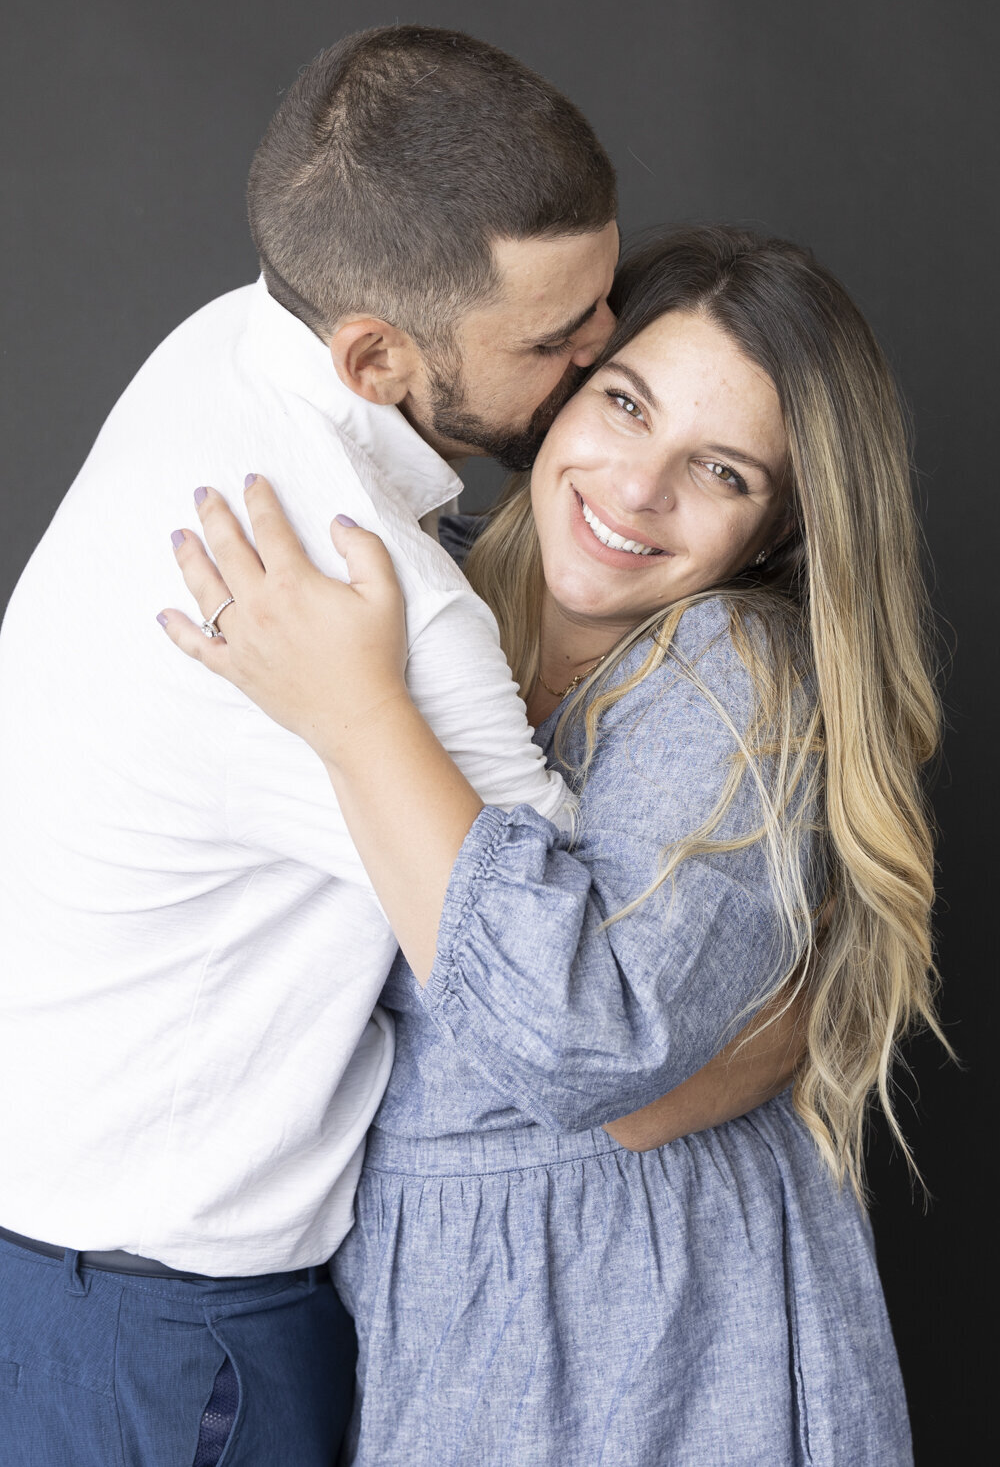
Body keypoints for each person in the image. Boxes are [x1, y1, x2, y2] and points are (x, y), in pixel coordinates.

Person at [0, 31, 792, 1465]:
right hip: (179, 1331)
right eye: (557, 345)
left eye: (602, 298)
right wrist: (809, 1007)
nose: (601, 347)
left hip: (64, 1273)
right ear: (375, 355)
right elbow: (582, 1016)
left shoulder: (223, 349)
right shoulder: (379, 596)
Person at [161, 226, 947, 1465]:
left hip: (654, 1315)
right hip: (424, 1299)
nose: (637, 488)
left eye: (723, 472)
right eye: (624, 403)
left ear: (777, 533)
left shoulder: (730, 667)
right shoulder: (424, 594)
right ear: (561, 386)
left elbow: (590, 1049)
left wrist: (355, 719)